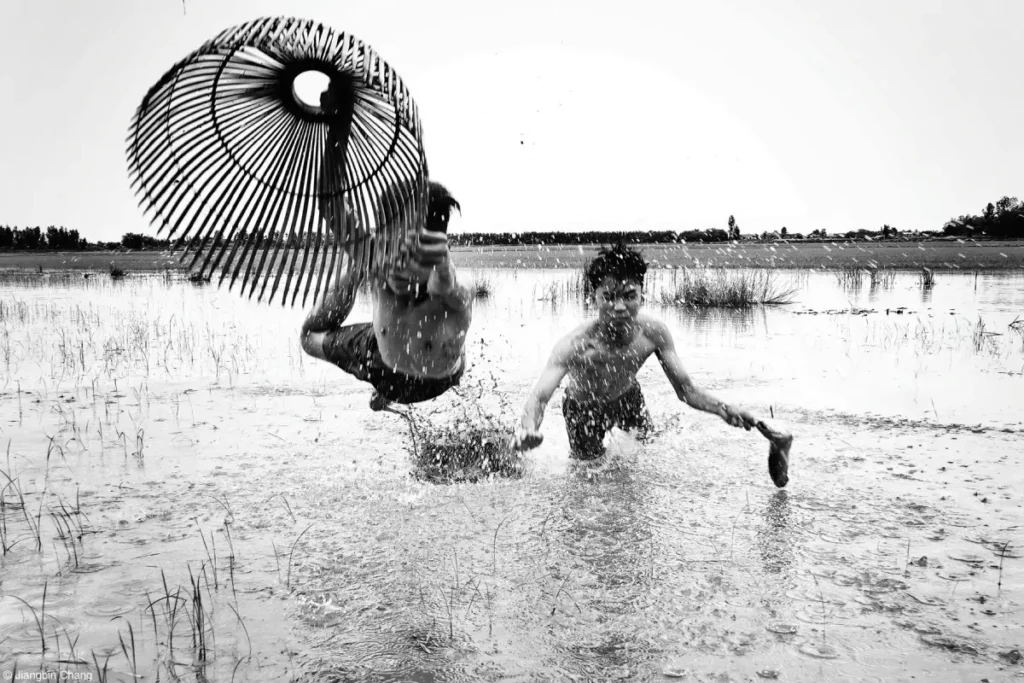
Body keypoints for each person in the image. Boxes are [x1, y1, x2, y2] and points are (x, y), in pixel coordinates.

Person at [513, 242, 774, 464]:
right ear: (593, 298)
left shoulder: (653, 333)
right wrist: (527, 429)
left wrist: (724, 409)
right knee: (588, 473)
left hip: (628, 399)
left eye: (629, 296)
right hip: (583, 410)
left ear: (642, 295)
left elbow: (686, 390)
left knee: (648, 454)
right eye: (608, 297)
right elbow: (539, 397)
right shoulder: (575, 345)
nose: (619, 307)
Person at [299, 179, 472, 409]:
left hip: (442, 378)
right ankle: (356, 264)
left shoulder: (453, 285)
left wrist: (445, 281)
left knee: (455, 339)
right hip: (382, 369)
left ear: (435, 247)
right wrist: (334, 149)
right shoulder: (376, 259)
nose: (399, 264)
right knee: (309, 337)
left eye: (411, 251)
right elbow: (330, 205)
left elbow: (456, 289)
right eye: (389, 248)